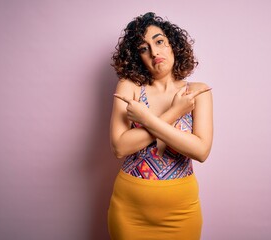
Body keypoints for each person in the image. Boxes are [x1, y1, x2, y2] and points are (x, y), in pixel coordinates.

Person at [107, 12, 213, 240]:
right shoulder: (129, 86)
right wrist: (175, 112)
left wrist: (146, 118)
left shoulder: (197, 92)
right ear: (138, 58)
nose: (154, 52)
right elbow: (120, 147)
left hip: (182, 213)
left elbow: (201, 151)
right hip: (129, 212)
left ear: (173, 45)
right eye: (143, 48)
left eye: (159, 41)